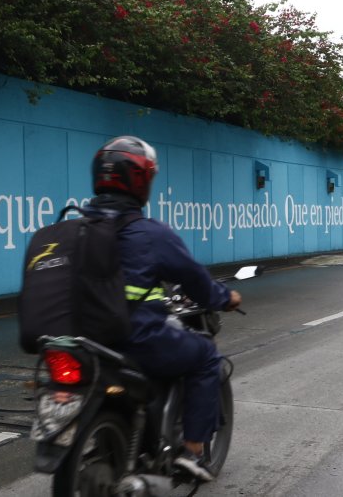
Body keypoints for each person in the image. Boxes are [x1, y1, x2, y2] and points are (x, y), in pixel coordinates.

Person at [85, 135, 242, 482]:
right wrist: (224, 298)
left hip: (81, 338)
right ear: (141, 180)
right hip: (135, 337)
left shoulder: (74, 227)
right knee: (204, 356)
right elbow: (194, 279)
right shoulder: (149, 233)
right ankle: (193, 452)